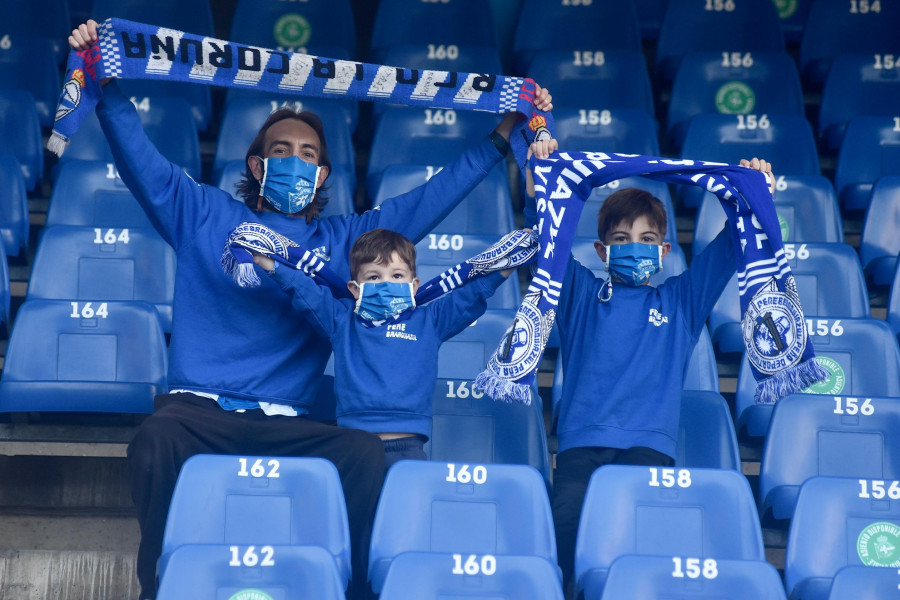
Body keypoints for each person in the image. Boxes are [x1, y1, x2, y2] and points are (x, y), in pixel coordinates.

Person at [67, 20, 553, 600]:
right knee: (154, 440)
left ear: (323, 174)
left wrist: (502, 136)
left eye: (308, 155)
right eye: (281, 152)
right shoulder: (200, 212)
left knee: (364, 456)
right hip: (197, 415)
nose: (295, 162)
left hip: (288, 422)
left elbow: (430, 198)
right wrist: (103, 75)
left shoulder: (346, 242)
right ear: (257, 166)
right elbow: (139, 158)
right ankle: (161, 587)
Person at [522, 156, 774, 595]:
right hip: (582, 449)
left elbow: (728, 249)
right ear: (602, 251)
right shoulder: (581, 294)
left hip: (648, 451)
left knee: (632, 558)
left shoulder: (681, 301)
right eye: (621, 238)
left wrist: (756, 192)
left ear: (664, 251)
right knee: (566, 542)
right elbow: (545, 246)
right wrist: (537, 193)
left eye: (646, 238)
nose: (633, 246)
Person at [250, 228, 519, 471]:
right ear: (355, 289)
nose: (387, 284)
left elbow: (471, 295)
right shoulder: (341, 320)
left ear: (414, 286)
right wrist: (270, 264)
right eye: (375, 277)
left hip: (408, 450)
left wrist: (510, 264)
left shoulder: (431, 321)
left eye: (397, 275)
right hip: (352, 447)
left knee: (403, 524)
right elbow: (304, 291)